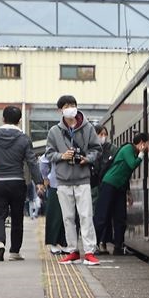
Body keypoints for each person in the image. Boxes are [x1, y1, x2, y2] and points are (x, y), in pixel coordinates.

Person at [45, 94, 102, 264]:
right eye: (66, 106)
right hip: (63, 181)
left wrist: (87, 159)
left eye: (72, 105)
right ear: (60, 110)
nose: (70, 108)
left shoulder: (88, 128)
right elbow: (49, 153)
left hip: (83, 178)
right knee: (68, 217)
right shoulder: (54, 131)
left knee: (86, 216)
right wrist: (62, 156)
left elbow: (96, 149)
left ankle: (89, 251)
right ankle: (72, 250)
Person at [0, 105, 37, 261]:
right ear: (19, 120)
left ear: (3, 119)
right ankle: (14, 252)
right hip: (17, 181)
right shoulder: (24, 138)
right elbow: (32, 162)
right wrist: (39, 181)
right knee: (17, 217)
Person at [95, 132, 149, 256]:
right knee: (103, 215)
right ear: (142, 143)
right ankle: (94, 244)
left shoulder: (134, 152)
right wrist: (141, 154)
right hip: (110, 183)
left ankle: (118, 246)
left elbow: (126, 174)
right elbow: (132, 164)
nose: (148, 147)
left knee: (120, 216)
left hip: (120, 186)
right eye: (147, 144)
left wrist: (128, 192)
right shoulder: (128, 149)